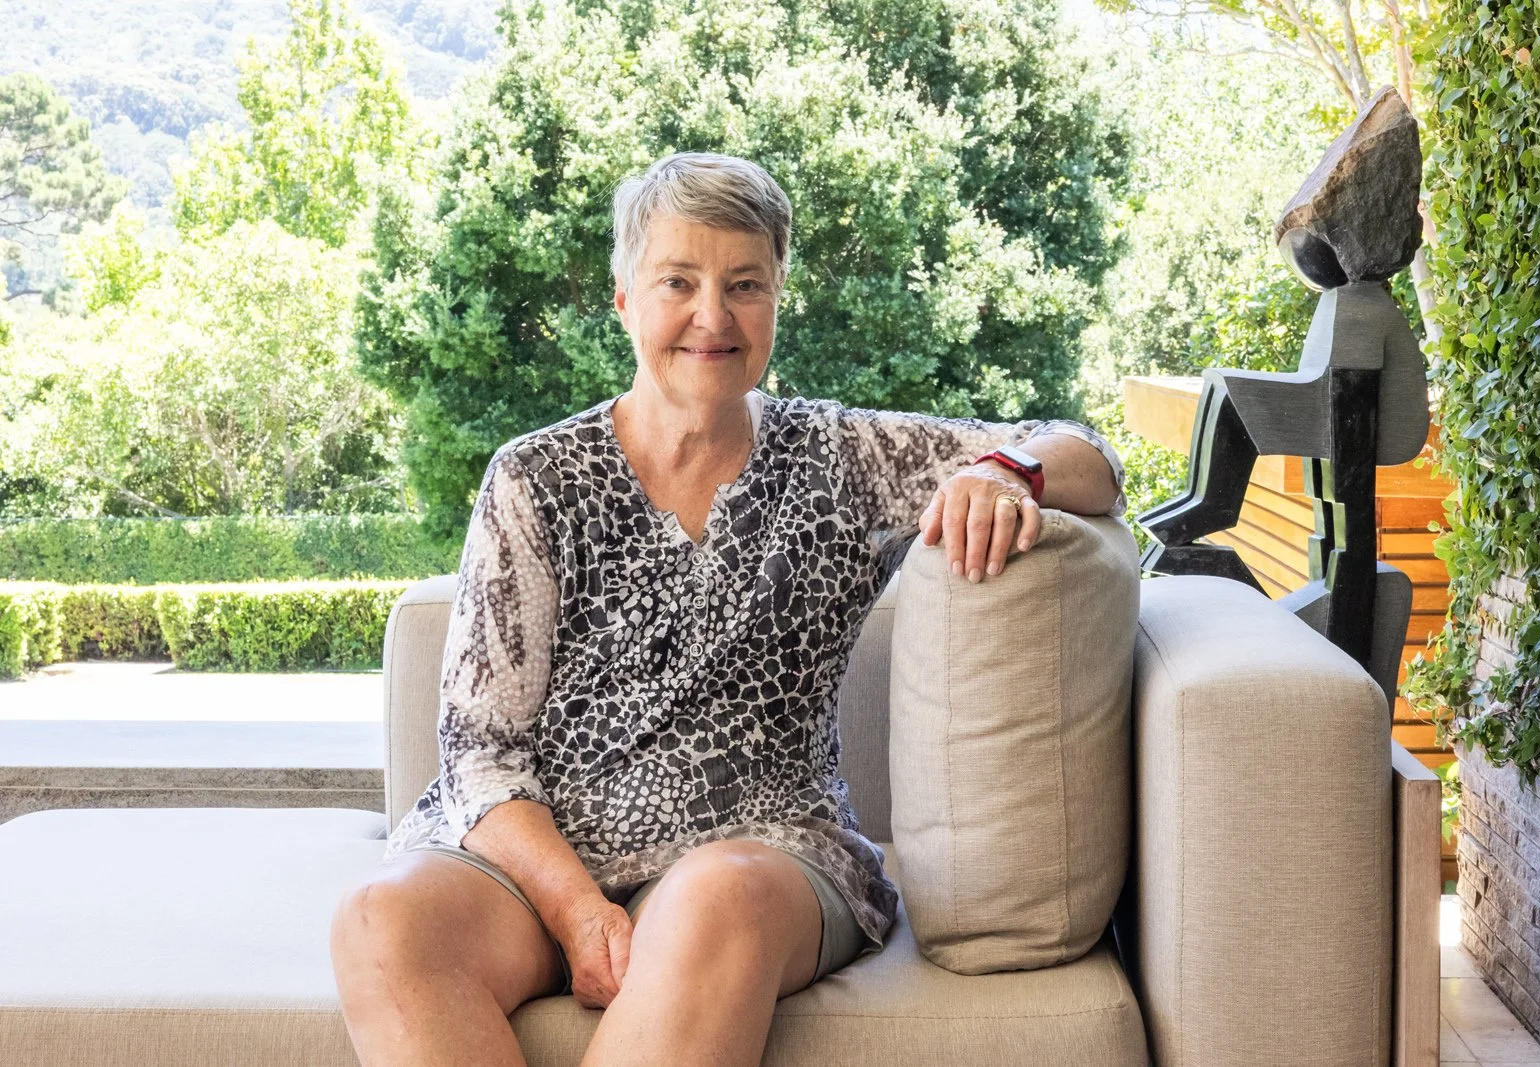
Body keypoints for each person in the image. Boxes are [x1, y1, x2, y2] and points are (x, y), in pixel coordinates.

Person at [329, 151, 1126, 1067]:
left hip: (765, 851)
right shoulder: (532, 478)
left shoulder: (841, 456)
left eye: (745, 284)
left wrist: (1005, 470)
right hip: (544, 860)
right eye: (679, 281)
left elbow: (1092, 458)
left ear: (778, 298)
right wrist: (578, 910)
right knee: (382, 920)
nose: (713, 316)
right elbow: (479, 753)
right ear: (624, 299)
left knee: (714, 897)